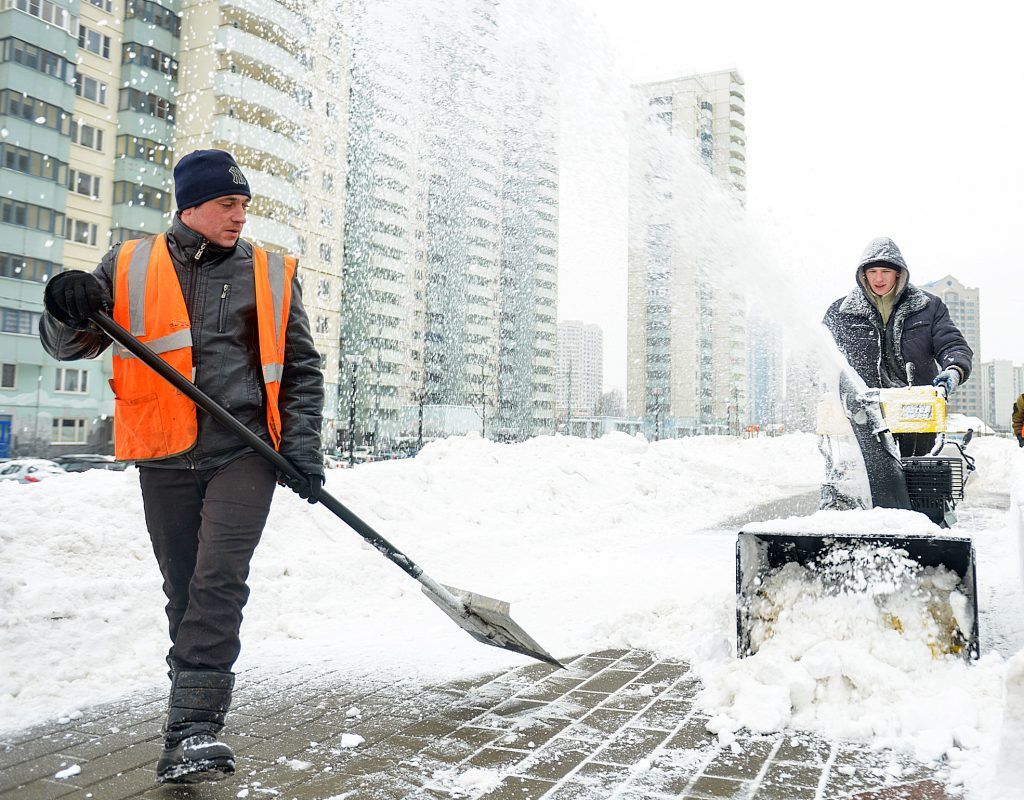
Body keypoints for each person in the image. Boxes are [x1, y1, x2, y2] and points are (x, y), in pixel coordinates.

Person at [39, 150, 325, 783]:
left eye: (245, 205)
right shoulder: (129, 264)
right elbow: (72, 345)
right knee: (185, 585)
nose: (239, 217)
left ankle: (194, 730)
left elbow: (301, 369)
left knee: (219, 579)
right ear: (189, 205)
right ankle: (187, 720)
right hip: (164, 451)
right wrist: (63, 304)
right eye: (228, 204)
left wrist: (303, 448)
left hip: (245, 449)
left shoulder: (270, 274)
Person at [824, 236, 973, 457]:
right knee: (869, 480)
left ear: (899, 273)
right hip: (864, 413)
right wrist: (825, 383)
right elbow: (821, 356)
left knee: (918, 478)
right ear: (863, 274)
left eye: (885, 271)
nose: (879, 278)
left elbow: (951, 343)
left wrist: (953, 370)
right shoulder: (842, 312)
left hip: (916, 411)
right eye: (873, 272)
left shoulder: (928, 307)